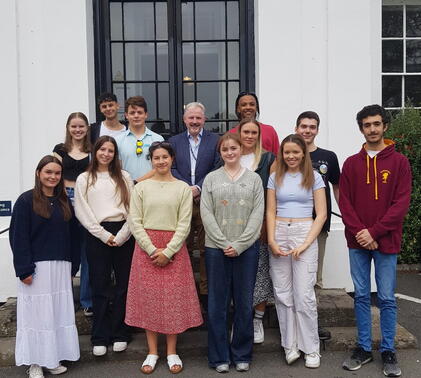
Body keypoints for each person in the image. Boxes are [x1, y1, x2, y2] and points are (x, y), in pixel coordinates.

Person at [340, 105, 411, 377]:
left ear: (385, 127)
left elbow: (401, 204)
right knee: (360, 295)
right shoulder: (351, 163)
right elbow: (345, 202)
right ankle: (364, 348)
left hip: (386, 241)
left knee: (385, 297)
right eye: (367, 125)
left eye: (377, 124)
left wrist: (375, 232)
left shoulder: (400, 163)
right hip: (357, 241)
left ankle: (389, 350)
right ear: (361, 128)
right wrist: (362, 232)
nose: (372, 129)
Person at [126, 141, 203, 374]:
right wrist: (151, 249)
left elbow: (184, 223)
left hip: (174, 249)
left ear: (172, 159)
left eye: (165, 157)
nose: (161, 161)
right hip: (146, 249)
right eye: (156, 157)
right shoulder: (140, 188)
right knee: (149, 299)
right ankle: (152, 351)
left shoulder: (182, 188)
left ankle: (171, 351)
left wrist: (168, 251)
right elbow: (135, 221)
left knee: (172, 300)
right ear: (151, 161)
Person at [9, 155, 80, 378]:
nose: (53, 176)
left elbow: (73, 237)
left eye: (57, 173)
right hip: (36, 268)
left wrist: (72, 267)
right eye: (48, 172)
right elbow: (18, 237)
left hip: (60, 267)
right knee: (37, 316)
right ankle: (35, 362)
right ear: (39, 173)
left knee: (57, 314)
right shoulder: (25, 200)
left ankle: (52, 358)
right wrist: (24, 268)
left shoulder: (63, 202)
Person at [201, 132, 264, 373]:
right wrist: (222, 241)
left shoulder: (254, 180)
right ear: (221, 153)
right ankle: (219, 357)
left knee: (244, 302)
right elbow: (206, 213)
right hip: (216, 249)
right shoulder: (211, 179)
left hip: (246, 249)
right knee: (217, 303)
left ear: (240, 150)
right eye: (225, 149)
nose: (229, 152)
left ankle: (241, 353)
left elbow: (257, 214)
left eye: (233, 148)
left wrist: (239, 244)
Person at [267, 134, 327, 369]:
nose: (291, 156)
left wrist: (305, 243)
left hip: (305, 232)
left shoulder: (315, 178)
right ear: (282, 154)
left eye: (295, 152)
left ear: (303, 153)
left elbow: (321, 214)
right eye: (287, 152)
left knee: (303, 295)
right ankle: (289, 345)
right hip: (280, 231)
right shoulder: (274, 177)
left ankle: (311, 348)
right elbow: (270, 211)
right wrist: (272, 240)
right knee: (282, 293)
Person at [74, 136, 134, 357]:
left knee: (122, 285)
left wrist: (122, 235)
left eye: (110, 150)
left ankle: (121, 333)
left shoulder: (124, 177)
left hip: (123, 233)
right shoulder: (84, 178)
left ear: (115, 154)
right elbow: (82, 210)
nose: (106, 154)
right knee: (99, 284)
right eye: (102, 150)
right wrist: (103, 235)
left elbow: (133, 208)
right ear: (95, 151)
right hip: (97, 233)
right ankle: (100, 335)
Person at [295, 110, 341, 341]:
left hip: (319, 225)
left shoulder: (328, 157)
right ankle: (294, 323)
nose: (307, 130)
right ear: (296, 129)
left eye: (312, 127)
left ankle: (313, 323)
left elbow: (337, 187)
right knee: (293, 276)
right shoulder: (290, 154)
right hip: (292, 225)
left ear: (317, 130)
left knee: (314, 277)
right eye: (304, 126)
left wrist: (346, 216)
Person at [168, 102, 220, 303]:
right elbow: (170, 167)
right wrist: (186, 188)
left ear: (204, 119)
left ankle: (206, 294)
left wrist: (198, 187)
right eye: (191, 118)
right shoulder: (174, 141)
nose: (195, 121)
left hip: (206, 200)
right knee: (183, 247)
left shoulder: (215, 140)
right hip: (181, 201)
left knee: (207, 248)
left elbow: (217, 167)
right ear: (184, 119)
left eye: (198, 118)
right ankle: (186, 293)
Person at [237, 118, 276, 344]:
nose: (249, 136)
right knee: (239, 275)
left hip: (259, 224)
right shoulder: (230, 154)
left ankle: (257, 320)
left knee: (260, 273)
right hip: (233, 225)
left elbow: (273, 192)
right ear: (239, 133)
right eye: (246, 132)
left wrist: (267, 225)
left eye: (254, 132)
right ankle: (241, 319)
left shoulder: (268, 158)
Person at [53, 112, 93, 317]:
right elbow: (53, 174)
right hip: (65, 199)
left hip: (87, 201)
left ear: (87, 128)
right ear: (68, 128)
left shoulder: (93, 150)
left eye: (81, 126)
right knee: (66, 250)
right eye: (73, 126)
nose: (77, 130)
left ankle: (87, 300)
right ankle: (65, 299)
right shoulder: (60, 150)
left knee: (87, 252)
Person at [115, 96, 164, 182]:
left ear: (146, 114)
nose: (136, 116)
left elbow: (160, 167)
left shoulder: (157, 139)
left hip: (152, 189)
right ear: (126, 115)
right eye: (132, 113)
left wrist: (137, 182)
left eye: (140, 112)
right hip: (127, 189)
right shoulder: (118, 140)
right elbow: (117, 168)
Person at [229, 91, 279, 155]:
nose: (248, 107)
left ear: (256, 108)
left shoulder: (270, 130)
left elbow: (278, 157)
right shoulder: (232, 134)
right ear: (238, 109)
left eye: (252, 104)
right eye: (244, 105)